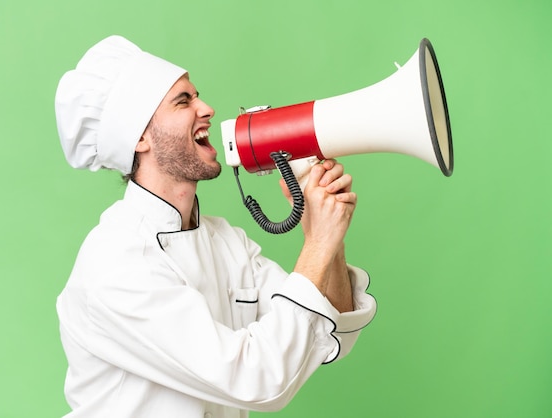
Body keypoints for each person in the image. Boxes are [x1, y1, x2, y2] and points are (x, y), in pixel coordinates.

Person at [55, 35, 377, 418]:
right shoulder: (116, 262)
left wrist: (329, 235)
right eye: (183, 101)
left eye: (198, 96)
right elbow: (256, 381)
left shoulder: (224, 240)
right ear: (139, 137)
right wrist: (317, 245)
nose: (206, 108)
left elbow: (333, 331)